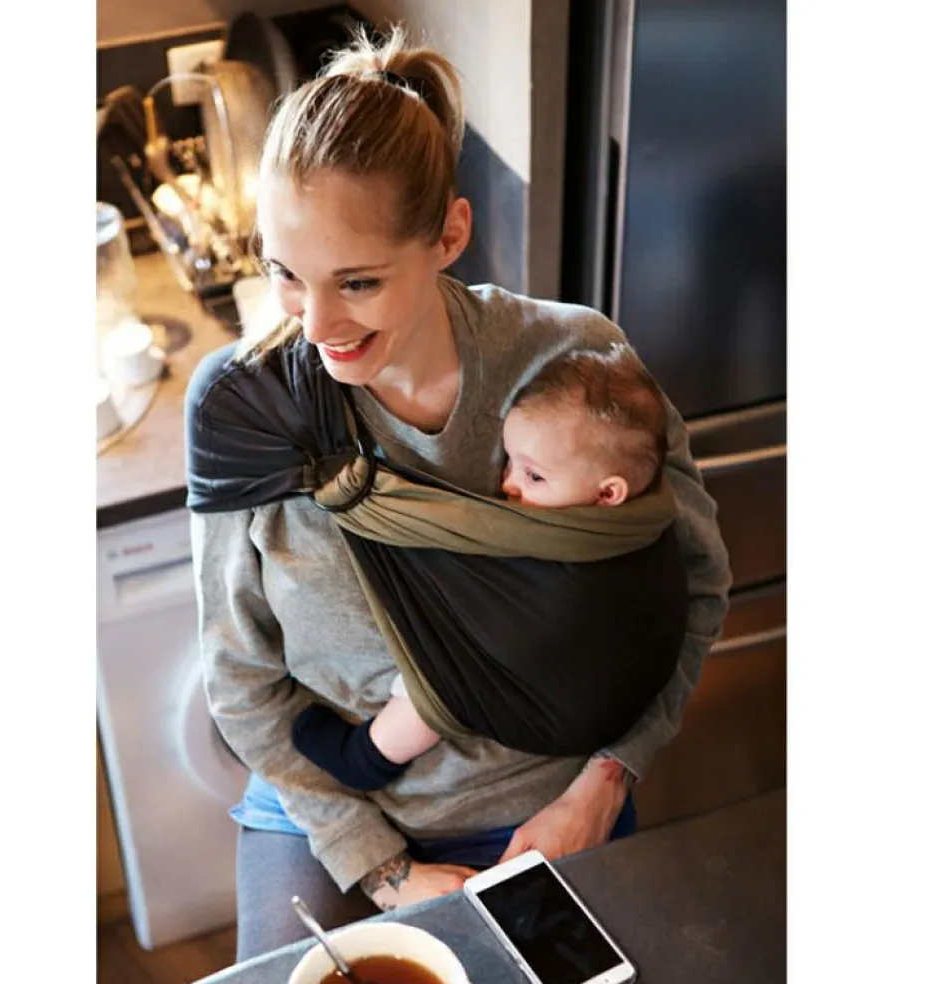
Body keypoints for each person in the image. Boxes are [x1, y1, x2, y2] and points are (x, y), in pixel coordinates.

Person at [187, 26, 731, 961]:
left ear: (449, 235)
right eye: (284, 272)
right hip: (330, 807)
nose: (316, 325)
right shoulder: (250, 408)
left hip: (549, 801)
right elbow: (240, 683)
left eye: (358, 281)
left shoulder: (574, 366)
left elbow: (697, 588)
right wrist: (383, 870)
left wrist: (604, 782)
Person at [290, 343, 680, 792]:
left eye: (534, 476)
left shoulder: (625, 537)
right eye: (509, 460)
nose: (508, 482)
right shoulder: (620, 500)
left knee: (440, 680)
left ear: (608, 494)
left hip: (565, 708)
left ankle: (366, 758)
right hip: (591, 695)